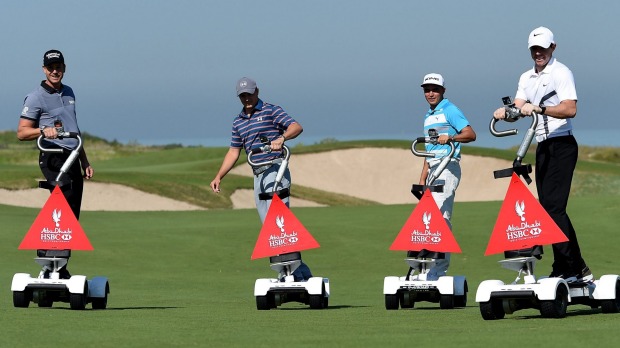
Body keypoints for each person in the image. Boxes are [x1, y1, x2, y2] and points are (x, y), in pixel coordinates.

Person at [493, 27, 592, 282]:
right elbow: (518, 105)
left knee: (554, 209)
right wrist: (505, 113)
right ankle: (570, 266)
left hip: (562, 144)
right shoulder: (526, 77)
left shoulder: (561, 72)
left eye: (543, 48)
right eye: (534, 49)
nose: (538, 53)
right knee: (548, 209)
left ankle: (573, 267)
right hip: (542, 146)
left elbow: (570, 109)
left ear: (553, 47)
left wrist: (540, 108)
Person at [210, 77, 312, 281]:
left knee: (280, 224)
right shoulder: (238, 121)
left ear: (257, 91)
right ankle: (296, 272)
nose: (246, 98)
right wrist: (219, 175)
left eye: (249, 94)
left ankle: (295, 273)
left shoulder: (271, 110)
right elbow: (233, 151)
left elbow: (295, 127)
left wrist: (281, 138)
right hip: (257, 174)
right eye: (242, 96)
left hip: (276, 169)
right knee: (269, 227)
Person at [17, 49, 94, 279]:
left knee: (73, 210)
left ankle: (60, 265)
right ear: (44, 69)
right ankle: (46, 255)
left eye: (58, 67)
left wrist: (84, 160)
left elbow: (74, 129)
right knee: (63, 203)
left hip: (72, 155)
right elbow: (22, 132)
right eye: (50, 67)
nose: (54, 71)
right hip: (52, 156)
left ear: (64, 68)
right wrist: (43, 129)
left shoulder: (69, 92)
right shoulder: (35, 97)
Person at [418, 73, 476, 280]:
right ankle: (426, 267)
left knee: (441, 218)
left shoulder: (451, 110)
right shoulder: (428, 115)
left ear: (443, 90)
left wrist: (450, 137)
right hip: (433, 167)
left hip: (448, 166)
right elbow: (428, 151)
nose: (430, 93)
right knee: (428, 219)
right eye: (427, 90)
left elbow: (470, 134)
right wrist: (422, 178)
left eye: (434, 89)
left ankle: (439, 270)